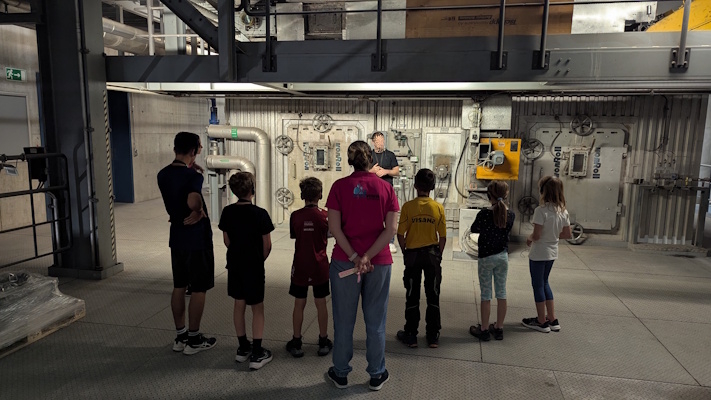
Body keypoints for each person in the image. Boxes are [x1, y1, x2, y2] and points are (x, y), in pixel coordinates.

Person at [325, 140, 399, 391]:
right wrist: (367, 257)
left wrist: (355, 256)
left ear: (350, 160)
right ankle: (376, 373)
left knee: (343, 321)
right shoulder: (385, 188)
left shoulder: (339, 187)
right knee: (376, 321)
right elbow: (391, 230)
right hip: (378, 263)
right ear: (371, 160)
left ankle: (341, 373)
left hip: (344, 263)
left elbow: (334, 228)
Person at [157, 131, 217, 355]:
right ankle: (194, 339)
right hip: (196, 238)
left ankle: (181, 336)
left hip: (177, 235)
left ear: (175, 149)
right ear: (193, 150)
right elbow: (193, 199)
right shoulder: (193, 177)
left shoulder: (163, 174)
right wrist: (198, 210)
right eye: (199, 147)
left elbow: (176, 190)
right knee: (199, 288)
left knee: (179, 286)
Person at [218, 172, 275, 370]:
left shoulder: (227, 212)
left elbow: (227, 240)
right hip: (254, 266)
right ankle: (257, 352)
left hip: (235, 264)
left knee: (239, 304)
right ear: (252, 189)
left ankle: (243, 347)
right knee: (257, 307)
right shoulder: (260, 214)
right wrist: (258, 260)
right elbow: (267, 245)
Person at [395, 169, 446, 349]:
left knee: (412, 294)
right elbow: (442, 237)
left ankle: (411, 335)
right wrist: (438, 256)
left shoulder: (408, 207)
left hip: (413, 256)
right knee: (433, 294)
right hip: (432, 256)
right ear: (432, 187)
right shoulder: (438, 208)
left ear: (415, 186)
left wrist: (405, 252)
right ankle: (433, 336)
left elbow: (400, 234)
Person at [285, 177, 333, 358]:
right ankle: (323, 340)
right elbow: (329, 235)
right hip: (320, 265)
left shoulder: (295, 216)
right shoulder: (325, 216)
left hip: (300, 265)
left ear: (302, 195)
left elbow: (294, 236)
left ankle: (296, 341)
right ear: (320, 195)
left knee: (299, 303)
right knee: (321, 303)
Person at [523, 176, 572, 333]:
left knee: (537, 285)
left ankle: (541, 321)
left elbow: (536, 235)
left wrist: (529, 238)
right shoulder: (563, 211)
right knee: (545, 282)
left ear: (543, 191)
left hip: (539, 253)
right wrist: (552, 236)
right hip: (552, 252)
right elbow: (567, 234)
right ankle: (552, 318)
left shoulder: (541, 210)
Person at [468, 181, 515, 342]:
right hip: (502, 257)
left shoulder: (484, 214)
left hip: (486, 258)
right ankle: (499, 328)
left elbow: (474, 229)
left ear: (489, 196)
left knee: (486, 294)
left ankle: (484, 329)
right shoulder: (510, 215)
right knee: (501, 292)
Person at [369, 131, 400, 254]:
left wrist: (386, 171)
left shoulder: (390, 155)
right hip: (372, 191)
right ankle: (373, 240)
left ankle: (390, 242)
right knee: (373, 217)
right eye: (378, 141)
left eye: (382, 141)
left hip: (387, 191)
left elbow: (396, 171)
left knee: (389, 217)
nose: (381, 143)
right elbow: (362, 172)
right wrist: (372, 171)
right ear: (373, 142)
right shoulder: (368, 155)